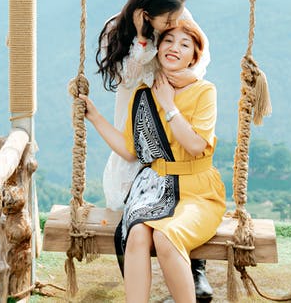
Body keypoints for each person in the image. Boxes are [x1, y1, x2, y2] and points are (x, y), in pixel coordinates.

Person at [85, 19, 225, 303]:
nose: (175, 48)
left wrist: (169, 104)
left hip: (197, 192)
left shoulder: (204, 91)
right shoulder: (143, 95)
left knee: (166, 236)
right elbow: (129, 149)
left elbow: (197, 146)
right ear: (158, 47)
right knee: (136, 234)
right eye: (169, 41)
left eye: (185, 45)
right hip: (156, 188)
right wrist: (94, 117)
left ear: (194, 56)